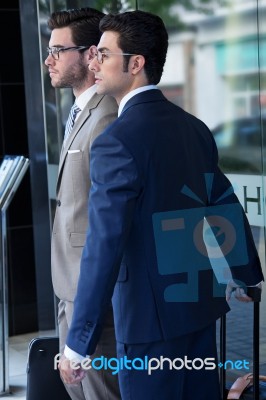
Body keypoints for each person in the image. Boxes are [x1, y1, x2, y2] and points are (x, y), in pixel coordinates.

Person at [58, 10, 264, 400]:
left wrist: (77, 343)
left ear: (136, 64)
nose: (93, 62)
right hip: (197, 312)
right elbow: (222, 202)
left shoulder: (116, 140)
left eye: (104, 54)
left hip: (147, 326)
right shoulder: (193, 127)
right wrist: (247, 275)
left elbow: (104, 245)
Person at [44, 8, 120, 400]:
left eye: (59, 50)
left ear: (91, 55)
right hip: (69, 286)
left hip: (90, 292)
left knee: (99, 392)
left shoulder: (105, 116)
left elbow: (108, 219)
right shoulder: (79, 113)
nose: (48, 59)